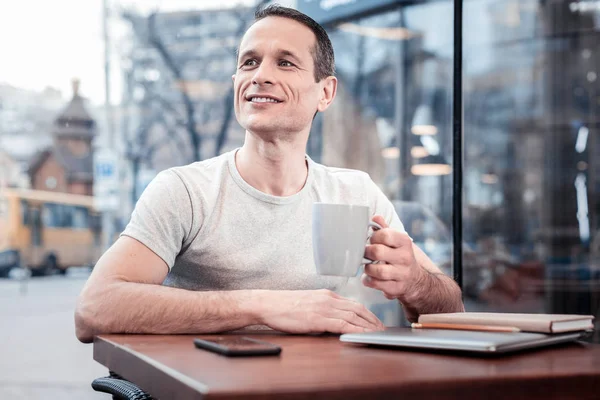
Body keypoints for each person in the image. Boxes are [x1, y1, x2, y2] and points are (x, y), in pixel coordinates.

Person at [75, 5, 464, 343]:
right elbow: (94, 309)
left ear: (325, 93)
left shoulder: (354, 191)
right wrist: (265, 305)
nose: (260, 75)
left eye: (285, 62)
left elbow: (451, 310)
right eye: (249, 62)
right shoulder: (184, 191)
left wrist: (414, 282)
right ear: (236, 85)